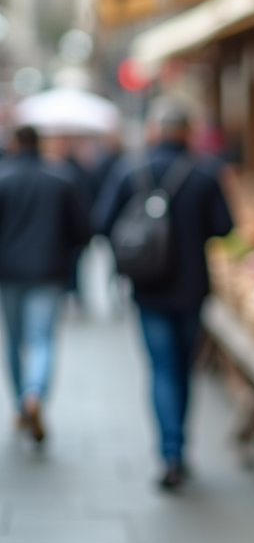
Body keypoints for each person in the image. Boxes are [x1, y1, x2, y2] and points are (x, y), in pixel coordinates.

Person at [94, 100, 233, 488]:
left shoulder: (129, 171)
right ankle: (180, 448)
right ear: (188, 131)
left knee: (161, 368)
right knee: (183, 367)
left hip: (148, 288)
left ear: (154, 131)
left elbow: (103, 224)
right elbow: (225, 227)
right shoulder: (206, 174)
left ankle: (169, 452)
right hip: (191, 288)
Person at [0, 125, 92, 444]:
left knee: (13, 341)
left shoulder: (3, 179)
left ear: (14, 144)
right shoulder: (60, 179)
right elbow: (83, 229)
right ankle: (34, 393)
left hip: (8, 273)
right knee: (41, 339)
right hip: (48, 273)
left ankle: (20, 403)